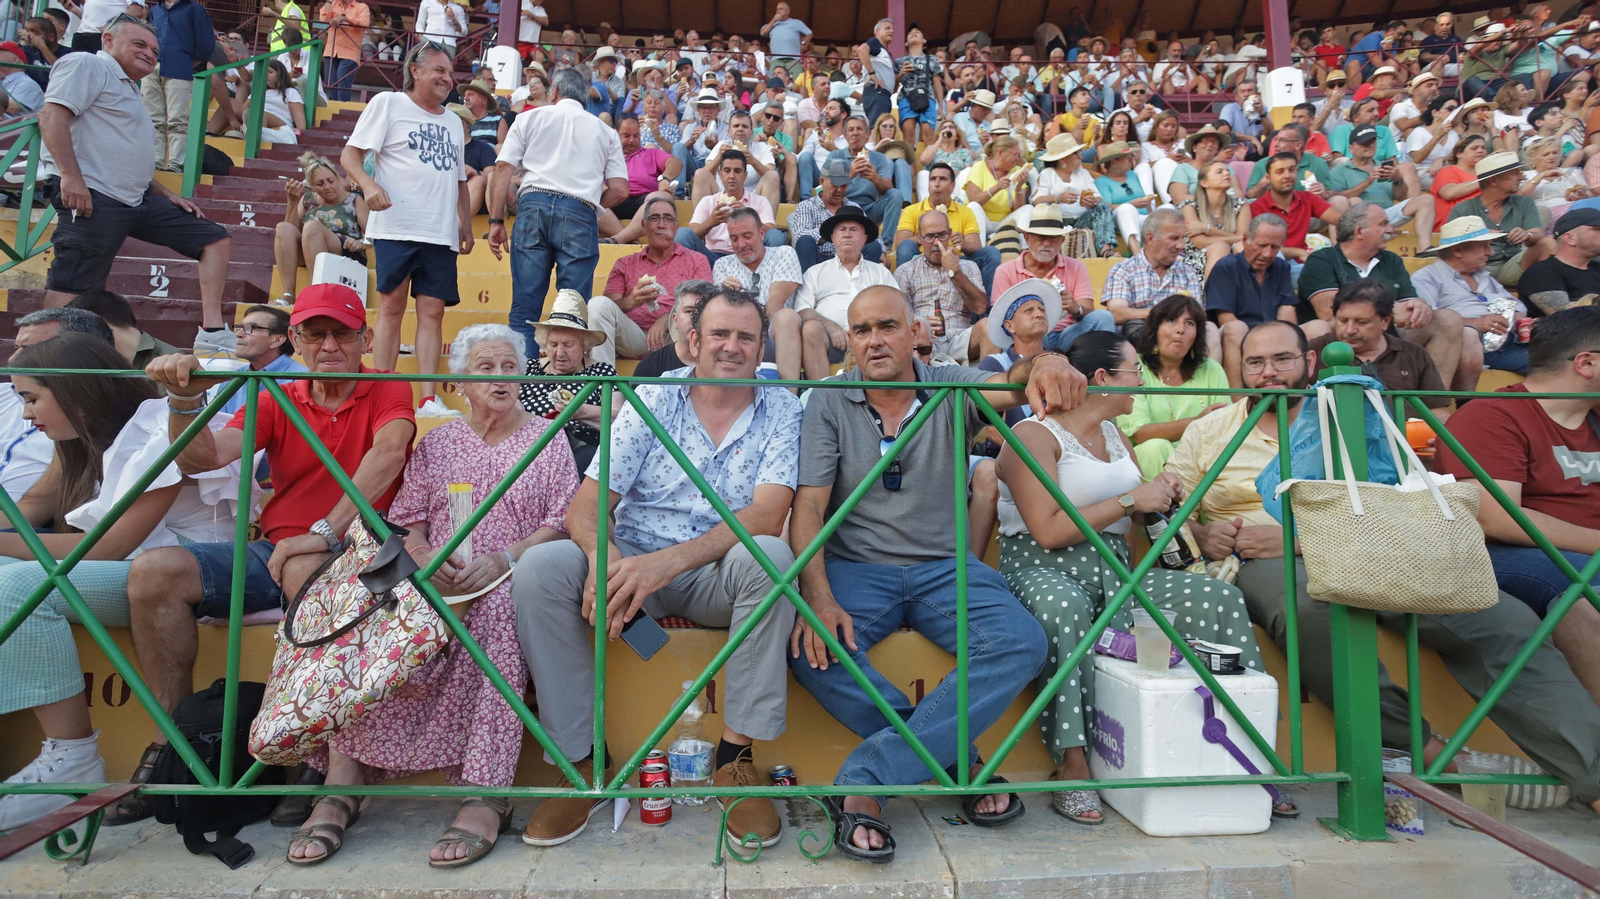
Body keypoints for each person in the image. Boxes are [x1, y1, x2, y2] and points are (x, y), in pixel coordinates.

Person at [1173, 320, 1600, 818]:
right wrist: (1204, 535)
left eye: (1282, 359)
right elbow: (1172, 511)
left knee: (1506, 619)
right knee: (1312, 613)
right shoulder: (1209, 430)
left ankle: (1593, 776)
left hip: (1368, 545)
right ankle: (1433, 752)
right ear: (1239, 370)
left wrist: (1298, 538)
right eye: (1255, 362)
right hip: (1259, 557)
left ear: (1309, 363)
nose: (1269, 372)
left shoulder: (1356, 413)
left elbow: (1397, 496)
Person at [788, 284, 1083, 864]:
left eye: (887, 327)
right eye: (862, 330)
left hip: (943, 570)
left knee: (1021, 642)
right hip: (857, 569)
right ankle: (958, 763)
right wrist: (818, 596)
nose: (874, 341)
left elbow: (1010, 383)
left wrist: (1044, 360)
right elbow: (809, 509)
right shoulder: (828, 400)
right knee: (809, 651)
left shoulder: (951, 383)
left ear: (913, 330)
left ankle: (869, 779)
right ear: (848, 338)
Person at [114, 284, 415, 827]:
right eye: (314, 334)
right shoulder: (280, 395)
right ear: (295, 340)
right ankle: (174, 750)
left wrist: (324, 532)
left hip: (364, 551)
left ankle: (318, 757)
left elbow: (389, 454)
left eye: (341, 333)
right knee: (153, 572)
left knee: (305, 568)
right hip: (275, 549)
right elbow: (205, 457)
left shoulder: (386, 386)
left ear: (365, 338)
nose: (328, 345)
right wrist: (184, 399)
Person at [516, 287, 802, 851]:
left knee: (771, 557)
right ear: (693, 340)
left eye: (746, 336)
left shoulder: (783, 407)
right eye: (720, 333)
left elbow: (769, 514)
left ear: (762, 345)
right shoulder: (651, 397)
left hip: (715, 573)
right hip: (631, 566)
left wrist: (664, 565)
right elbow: (588, 506)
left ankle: (735, 759)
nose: (732, 347)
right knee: (543, 567)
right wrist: (605, 559)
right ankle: (580, 765)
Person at [303, 324, 577, 868]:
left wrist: (505, 558)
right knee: (361, 604)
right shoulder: (439, 443)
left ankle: (484, 789)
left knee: (502, 610)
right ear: (458, 384)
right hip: (436, 574)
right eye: (485, 369)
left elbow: (561, 523)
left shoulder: (549, 436)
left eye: (508, 367)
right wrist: (427, 557)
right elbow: (407, 522)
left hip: (509, 572)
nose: (500, 379)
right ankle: (343, 777)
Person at [996, 330, 1262, 826]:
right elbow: (1049, 532)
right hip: (1042, 568)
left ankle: (1247, 754)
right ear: (1100, 378)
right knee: (1064, 609)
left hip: (1118, 570)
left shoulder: (1118, 438)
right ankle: (1072, 763)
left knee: (1216, 597)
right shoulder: (1034, 435)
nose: (1140, 383)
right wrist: (1128, 501)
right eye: (1133, 372)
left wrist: (1159, 493)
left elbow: (1137, 520)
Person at [0, 335, 243, 832]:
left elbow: (103, 548)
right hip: (129, 572)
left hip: (187, 575)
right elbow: (24, 513)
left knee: (19, 586)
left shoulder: (158, 427)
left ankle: (72, 759)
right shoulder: (75, 441)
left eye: (31, 398)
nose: (26, 416)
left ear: (76, 393)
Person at [39, 16, 234, 354]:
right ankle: (37, 362)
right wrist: (71, 177)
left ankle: (213, 331)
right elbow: (51, 116)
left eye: (155, 50)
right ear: (108, 39)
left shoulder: (128, 87)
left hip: (137, 197)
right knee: (73, 288)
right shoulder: (87, 64)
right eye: (140, 44)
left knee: (213, 237)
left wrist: (166, 192)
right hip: (94, 195)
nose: (149, 54)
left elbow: (126, 153)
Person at [1439, 305, 1600, 706]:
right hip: (1511, 553)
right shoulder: (1492, 416)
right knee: (1583, 590)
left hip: (1581, 554)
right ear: (1586, 363)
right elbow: (1497, 518)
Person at [342, 43, 470, 419]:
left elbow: (461, 180)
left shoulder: (451, 121)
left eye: (450, 73)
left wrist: (465, 223)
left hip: (440, 231)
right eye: (439, 70)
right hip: (397, 225)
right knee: (392, 307)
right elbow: (350, 155)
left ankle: (428, 399)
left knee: (433, 313)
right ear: (415, 70)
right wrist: (368, 185)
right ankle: (383, 390)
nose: (447, 78)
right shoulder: (388, 103)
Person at [490, 66, 627, 358]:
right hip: (579, 211)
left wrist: (495, 220)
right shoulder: (605, 131)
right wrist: (590, 202)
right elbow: (620, 190)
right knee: (573, 312)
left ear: (554, 92)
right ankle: (568, 396)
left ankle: (523, 391)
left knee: (525, 308)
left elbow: (502, 169)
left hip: (532, 206)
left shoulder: (529, 117)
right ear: (586, 100)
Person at [1299, 201, 1472, 390]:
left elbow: (1407, 303)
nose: (1390, 229)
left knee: (1448, 319)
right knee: (1318, 327)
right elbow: (1327, 311)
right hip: (1338, 339)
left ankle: (1431, 404)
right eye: (1383, 224)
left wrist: (1420, 305)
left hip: (1387, 336)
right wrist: (1388, 309)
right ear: (1359, 231)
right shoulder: (1322, 259)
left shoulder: (1392, 260)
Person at [0, 309, 115, 503]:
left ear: (77, 354)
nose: (12, 360)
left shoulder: (88, 428)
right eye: (16, 347)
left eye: (30, 350)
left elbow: (35, 505)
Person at [1117, 294, 1232, 477]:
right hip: (1148, 461)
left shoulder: (1211, 369)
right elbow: (1139, 433)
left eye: (1190, 323)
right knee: (1154, 446)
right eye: (1171, 320)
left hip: (1201, 459)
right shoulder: (1135, 368)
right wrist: (1198, 422)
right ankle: (1165, 506)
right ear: (1155, 329)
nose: (1180, 330)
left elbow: (1225, 426)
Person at [1306, 280, 1452, 420]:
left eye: (1362, 322)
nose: (1349, 330)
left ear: (1385, 321)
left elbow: (1438, 413)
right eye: (1343, 321)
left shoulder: (1414, 354)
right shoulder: (1314, 351)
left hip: (1407, 441)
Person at [594, 196, 710, 365]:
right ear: (643, 226)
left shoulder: (696, 260)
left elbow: (705, 305)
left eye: (668, 219)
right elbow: (609, 307)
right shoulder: (625, 263)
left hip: (676, 336)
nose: (661, 224)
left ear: (676, 226)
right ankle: (601, 384)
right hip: (636, 337)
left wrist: (667, 318)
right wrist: (630, 302)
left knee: (696, 315)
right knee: (598, 305)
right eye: (654, 218)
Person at [1414, 216, 1533, 377]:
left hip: (1510, 341)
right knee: (1554, 365)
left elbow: (1516, 304)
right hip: (1473, 347)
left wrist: (1520, 320)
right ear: (1458, 251)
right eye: (1483, 246)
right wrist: (1476, 323)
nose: (1491, 252)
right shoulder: (1427, 278)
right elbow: (1429, 323)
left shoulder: (1483, 276)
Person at [990, 207, 1116, 352]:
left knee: (1103, 317)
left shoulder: (1076, 267)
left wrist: (1076, 309)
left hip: (1065, 336)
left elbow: (1089, 312)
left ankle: (1106, 370)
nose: (1046, 244)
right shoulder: (1005, 271)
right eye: (1040, 237)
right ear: (1027, 238)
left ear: (1062, 240)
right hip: (1025, 338)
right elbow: (999, 319)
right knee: (1007, 335)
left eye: (1053, 238)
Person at [518, 291, 617, 473]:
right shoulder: (528, 369)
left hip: (581, 449)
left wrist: (581, 411)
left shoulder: (602, 372)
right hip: (529, 448)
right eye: (553, 345)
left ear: (584, 346)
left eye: (568, 345)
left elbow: (620, 417)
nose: (559, 352)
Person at [1207, 215, 1311, 387]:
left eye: (1275, 247)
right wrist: (1260, 342)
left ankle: (1301, 396)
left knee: (1318, 327)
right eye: (1262, 245)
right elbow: (1225, 317)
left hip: (1274, 334)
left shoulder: (1281, 267)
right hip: (1241, 336)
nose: (1267, 253)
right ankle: (1239, 400)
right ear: (1246, 240)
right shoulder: (1225, 267)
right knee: (1235, 328)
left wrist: (1282, 339)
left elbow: (1286, 311)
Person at [793, 206, 897, 378]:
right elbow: (802, 310)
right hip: (830, 342)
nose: (847, 234)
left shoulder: (881, 273)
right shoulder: (815, 272)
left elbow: (896, 307)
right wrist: (832, 328)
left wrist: (867, 331)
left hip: (873, 339)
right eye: (842, 229)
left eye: (853, 230)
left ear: (864, 239)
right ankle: (822, 396)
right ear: (833, 238)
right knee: (810, 328)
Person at [711, 208, 804, 379]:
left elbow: (776, 302)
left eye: (747, 236)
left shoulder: (783, 253)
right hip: (737, 338)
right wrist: (725, 296)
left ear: (762, 233)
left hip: (773, 336)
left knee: (787, 317)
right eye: (734, 238)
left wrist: (753, 334)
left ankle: (788, 399)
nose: (741, 244)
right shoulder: (721, 265)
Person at [894, 209, 992, 365]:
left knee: (988, 327)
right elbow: (897, 318)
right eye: (930, 236)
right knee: (912, 335)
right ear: (919, 237)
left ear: (950, 234)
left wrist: (955, 271)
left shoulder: (969, 267)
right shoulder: (905, 271)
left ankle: (989, 388)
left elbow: (980, 308)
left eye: (942, 235)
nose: (936, 242)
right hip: (921, 341)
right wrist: (920, 323)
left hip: (960, 338)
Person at [1447, 150, 1556, 289]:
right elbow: (1450, 249)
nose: (1521, 178)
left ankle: (1543, 294)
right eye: (1515, 173)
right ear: (1494, 181)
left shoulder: (1524, 203)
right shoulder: (1463, 209)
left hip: (1514, 264)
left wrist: (1527, 235)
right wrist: (1479, 236)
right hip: (1478, 268)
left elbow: (1538, 233)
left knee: (1547, 243)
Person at [273, 150, 368, 306]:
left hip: (344, 248)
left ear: (337, 178)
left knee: (311, 227)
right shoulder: (307, 199)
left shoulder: (353, 200)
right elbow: (291, 231)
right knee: (283, 228)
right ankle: (288, 295)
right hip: (310, 249)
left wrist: (362, 242)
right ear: (311, 186)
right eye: (320, 184)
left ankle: (315, 291)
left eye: (331, 181)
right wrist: (292, 202)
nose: (328, 187)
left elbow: (371, 233)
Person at [1326, 124, 1436, 253]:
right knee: (1355, 201)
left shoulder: (1384, 166)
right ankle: (1344, 249)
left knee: (1426, 199)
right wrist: (1367, 182)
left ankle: (1424, 249)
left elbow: (1400, 196)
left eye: (1373, 142)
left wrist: (1397, 179)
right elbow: (1336, 199)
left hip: (1386, 215)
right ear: (1351, 148)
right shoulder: (1340, 170)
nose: (1370, 146)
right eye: (1364, 143)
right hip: (1359, 219)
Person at [1102, 209, 1202, 344]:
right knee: (1138, 327)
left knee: (1211, 330)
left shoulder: (1188, 272)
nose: (1181, 246)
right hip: (1136, 339)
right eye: (1174, 238)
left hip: (1179, 338)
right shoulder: (1123, 269)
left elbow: (1198, 315)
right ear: (1151, 239)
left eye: (1182, 238)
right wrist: (1164, 314)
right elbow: (1117, 314)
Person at [677, 150, 785, 266]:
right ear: (720, 174)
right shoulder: (708, 201)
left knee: (776, 235)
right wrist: (711, 221)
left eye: (737, 171)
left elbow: (771, 233)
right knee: (682, 234)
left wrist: (748, 216)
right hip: (713, 258)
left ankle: (765, 277)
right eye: (727, 171)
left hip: (750, 258)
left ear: (745, 175)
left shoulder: (760, 201)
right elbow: (690, 233)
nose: (732, 176)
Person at [143, 0, 213, 171]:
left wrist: (188, 62)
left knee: (178, 120)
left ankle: (176, 163)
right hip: (152, 67)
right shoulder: (155, 10)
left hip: (179, 66)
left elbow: (206, 43)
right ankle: (155, 163)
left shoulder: (194, 9)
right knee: (152, 119)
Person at [1247, 153, 1341, 272]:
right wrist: (1298, 252)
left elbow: (1342, 220)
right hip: (1272, 266)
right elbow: (1261, 248)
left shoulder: (1307, 198)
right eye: (1280, 172)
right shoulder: (1257, 207)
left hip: (1302, 264)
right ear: (1268, 177)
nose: (1287, 176)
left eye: (1291, 170)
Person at [790, 157, 883, 270]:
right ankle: (809, 285)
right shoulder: (806, 206)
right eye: (835, 184)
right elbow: (801, 237)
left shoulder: (853, 207)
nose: (839, 190)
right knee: (805, 241)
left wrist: (882, 252)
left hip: (851, 261)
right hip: (819, 261)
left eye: (843, 185)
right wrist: (831, 230)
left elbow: (872, 235)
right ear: (822, 182)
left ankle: (864, 285)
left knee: (873, 246)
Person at [826, 116, 903, 250]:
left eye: (859, 129)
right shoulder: (835, 156)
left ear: (867, 134)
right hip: (840, 208)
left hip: (868, 210)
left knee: (895, 194)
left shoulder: (880, 159)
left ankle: (886, 246)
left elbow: (888, 188)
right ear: (845, 135)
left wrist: (875, 178)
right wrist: (851, 173)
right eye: (851, 130)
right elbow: (825, 189)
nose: (855, 133)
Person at [217, 304, 308, 415]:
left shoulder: (303, 379)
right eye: (239, 327)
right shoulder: (231, 380)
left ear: (277, 340)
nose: (238, 334)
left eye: (250, 328)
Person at [62, 288, 176, 368]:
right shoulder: (98, 363)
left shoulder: (171, 362)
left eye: (77, 331)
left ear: (97, 324)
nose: (77, 344)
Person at [1520, 206, 1600, 315]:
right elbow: (1567, 319)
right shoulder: (1541, 273)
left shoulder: (1596, 268)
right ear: (1570, 239)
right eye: (1597, 229)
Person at [1181, 160, 1251, 282]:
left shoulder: (1241, 205)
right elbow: (1200, 242)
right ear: (1204, 183)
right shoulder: (1189, 207)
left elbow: (1243, 239)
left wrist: (1208, 229)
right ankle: (1212, 295)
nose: (1226, 174)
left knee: (1241, 246)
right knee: (1220, 246)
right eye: (1219, 172)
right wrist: (1235, 238)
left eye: (1227, 171)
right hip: (1199, 261)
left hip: (1233, 255)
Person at [632, 280, 712, 378]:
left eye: (703, 311)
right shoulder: (651, 367)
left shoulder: (726, 365)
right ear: (675, 320)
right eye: (689, 311)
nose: (695, 318)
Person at [1092, 141, 1157, 251]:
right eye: (1127, 157)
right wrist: (1132, 204)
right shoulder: (1101, 182)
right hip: (1120, 219)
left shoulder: (1132, 175)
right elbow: (1106, 207)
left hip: (1143, 218)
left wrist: (1148, 206)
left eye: (1131, 156)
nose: (1131, 160)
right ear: (1113, 162)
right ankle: (1137, 253)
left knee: (1167, 210)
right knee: (1127, 209)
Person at [964, 135, 1031, 232]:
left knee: (1028, 208)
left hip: (1004, 222)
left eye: (1018, 155)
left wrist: (1019, 187)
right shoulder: (980, 166)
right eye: (1014, 155)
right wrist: (997, 187)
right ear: (1000, 153)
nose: (1018, 159)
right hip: (983, 219)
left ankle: (1024, 246)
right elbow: (974, 199)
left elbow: (1018, 209)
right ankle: (979, 246)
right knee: (973, 206)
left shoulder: (1017, 171)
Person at [895, 25, 941, 146]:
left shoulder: (932, 59)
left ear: (924, 40)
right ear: (906, 42)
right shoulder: (899, 62)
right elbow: (894, 87)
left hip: (927, 96)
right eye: (910, 33)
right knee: (908, 134)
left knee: (929, 132)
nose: (913, 33)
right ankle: (908, 165)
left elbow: (937, 83)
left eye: (917, 32)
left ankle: (931, 165)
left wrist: (941, 105)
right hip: (906, 97)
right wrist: (901, 74)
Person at [1430, 132, 1488, 225]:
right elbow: (1449, 193)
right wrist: (1485, 179)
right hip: (1452, 227)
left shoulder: (1487, 173)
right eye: (1474, 148)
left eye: (1483, 148)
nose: (1481, 150)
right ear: (1459, 154)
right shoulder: (1448, 171)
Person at [317, 0, 369, 101]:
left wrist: (344, 18)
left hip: (350, 52)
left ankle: (342, 109)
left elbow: (364, 23)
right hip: (331, 51)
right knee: (330, 85)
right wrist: (329, 1)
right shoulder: (334, 4)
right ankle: (333, 110)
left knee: (342, 82)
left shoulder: (362, 7)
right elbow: (323, 18)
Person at [856, 18, 895, 127]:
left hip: (883, 94)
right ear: (877, 32)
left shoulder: (885, 52)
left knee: (878, 126)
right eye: (887, 28)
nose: (891, 31)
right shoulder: (875, 42)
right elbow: (861, 50)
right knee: (878, 127)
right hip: (877, 92)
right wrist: (871, 73)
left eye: (892, 29)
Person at [762, 1, 811, 72]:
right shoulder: (771, 24)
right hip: (776, 59)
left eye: (780, 9)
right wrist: (774, 20)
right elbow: (763, 32)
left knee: (795, 81)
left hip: (793, 59)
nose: (778, 11)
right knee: (775, 81)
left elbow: (809, 33)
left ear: (787, 11)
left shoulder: (796, 23)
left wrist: (803, 43)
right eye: (777, 9)